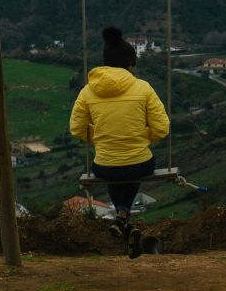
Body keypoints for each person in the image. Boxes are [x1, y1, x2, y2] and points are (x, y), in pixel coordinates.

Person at [69, 27, 170, 258]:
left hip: (104, 165)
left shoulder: (87, 92)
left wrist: (101, 137)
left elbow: (76, 129)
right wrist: (142, 137)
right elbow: (162, 128)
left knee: (115, 169)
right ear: (130, 64)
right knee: (132, 166)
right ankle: (124, 216)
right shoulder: (143, 88)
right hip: (139, 162)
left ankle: (122, 217)